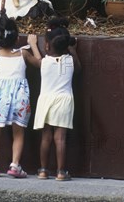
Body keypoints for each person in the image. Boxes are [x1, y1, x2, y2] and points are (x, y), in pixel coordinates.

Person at [0, 13, 41, 177]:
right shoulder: (23, 54)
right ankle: (15, 166)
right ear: (16, 39)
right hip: (19, 99)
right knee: (18, 132)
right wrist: (33, 44)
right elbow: (40, 63)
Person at [33, 17, 81, 181]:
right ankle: (61, 172)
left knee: (46, 137)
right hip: (63, 101)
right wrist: (73, 49)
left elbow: (36, 58)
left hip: (46, 100)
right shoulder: (69, 61)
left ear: (47, 45)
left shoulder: (44, 62)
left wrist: (33, 44)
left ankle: (43, 170)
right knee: (60, 138)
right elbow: (79, 68)